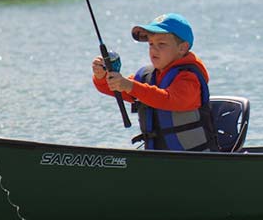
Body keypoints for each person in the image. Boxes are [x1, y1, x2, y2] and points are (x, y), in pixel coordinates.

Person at [92, 13, 218, 151]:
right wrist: (102, 76)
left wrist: (130, 86)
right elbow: (113, 88)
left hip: (195, 162)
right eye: (151, 44)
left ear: (182, 48)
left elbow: (168, 100)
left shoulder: (189, 78)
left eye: (161, 44)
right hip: (160, 160)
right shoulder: (147, 76)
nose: (153, 49)